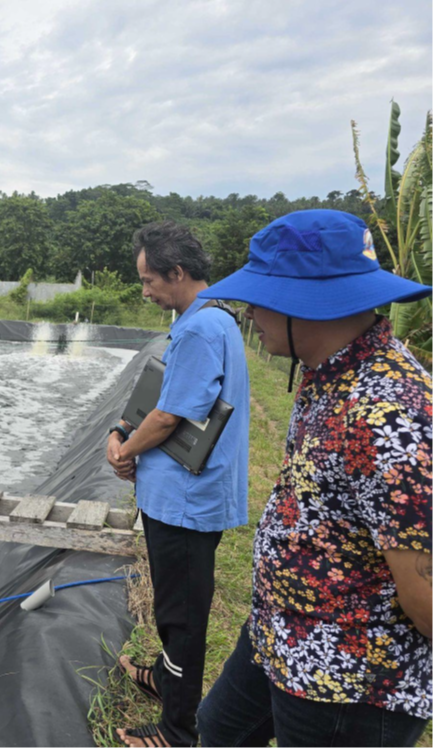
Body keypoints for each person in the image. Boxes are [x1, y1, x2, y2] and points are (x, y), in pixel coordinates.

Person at [193, 210, 433, 747]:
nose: (249, 309)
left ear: (309, 300)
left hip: (347, 679)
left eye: (261, 294)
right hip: (282, 633)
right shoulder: (331, 375)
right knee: (220, 731)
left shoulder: (389, 413)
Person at [106, 221, 250, 748]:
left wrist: (125, 449)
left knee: (183, 616)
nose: (144, 291)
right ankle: (165, 679)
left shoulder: (198, 329)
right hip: (180, 492)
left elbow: (168, 416)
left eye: (149, 280)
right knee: (174, 604)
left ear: (179, 273)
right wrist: (120, 429)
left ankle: (176, 731)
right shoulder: (215, 319)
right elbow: (162, 398)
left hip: (187, 499)